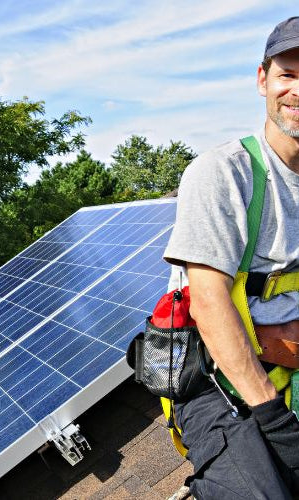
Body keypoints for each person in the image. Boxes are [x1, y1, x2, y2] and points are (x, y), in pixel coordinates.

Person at [163, 17, 299, 499]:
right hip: (219, 379)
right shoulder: (225, 174)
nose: (298, 89)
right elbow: (208, 302)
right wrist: (275, 420)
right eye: (288, 74)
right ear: (263, 79)